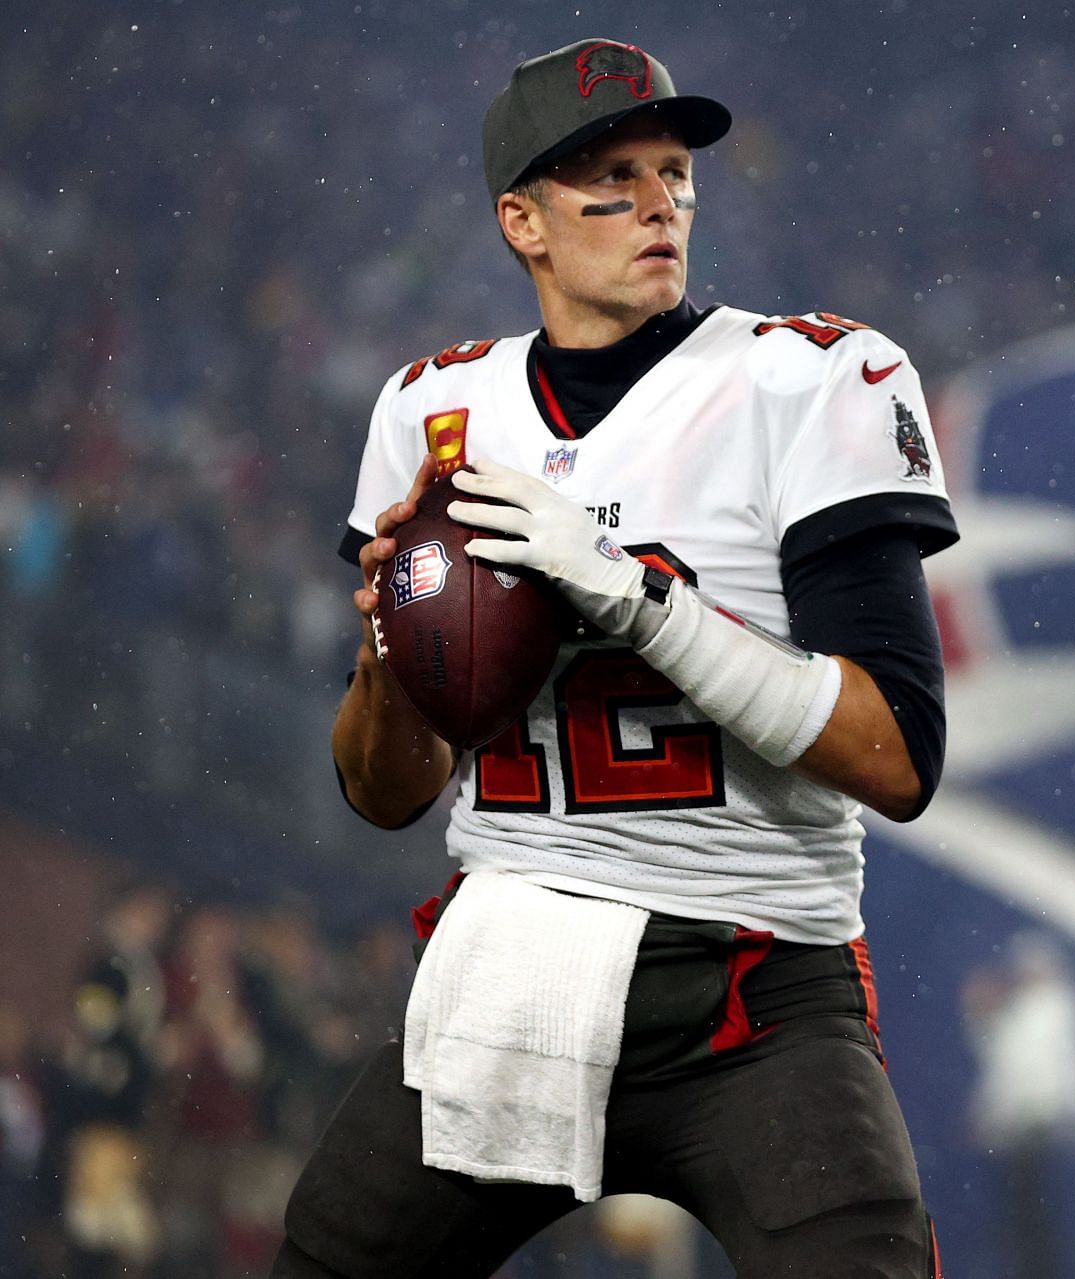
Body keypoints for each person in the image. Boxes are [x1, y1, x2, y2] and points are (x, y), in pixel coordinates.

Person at [274, 37, 955, 1279]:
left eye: (673, 173)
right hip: (511, 960)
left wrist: (632, 597)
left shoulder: (806, 381)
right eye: (611, 179)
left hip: (752, 976)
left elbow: (900, 757)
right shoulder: (435, 414)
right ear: (521, 221)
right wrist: (390, 650)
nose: (658, 204)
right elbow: (386, 791)